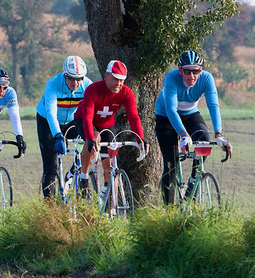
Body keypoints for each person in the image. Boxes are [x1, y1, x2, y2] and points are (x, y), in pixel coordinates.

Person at [155, 50, 233, 204]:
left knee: (204, 141)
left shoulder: (206, 79)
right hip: (166, 117)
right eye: (187, 71)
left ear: (201, 70)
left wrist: (218, 134)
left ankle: (193, 183)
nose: (191, 76)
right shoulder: (172, 78)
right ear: (180, 70)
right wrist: (184, 135)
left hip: (191, 115)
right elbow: (171, 110)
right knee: (171, 164)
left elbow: (213, 105)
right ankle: (169, 211)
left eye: (195, 71)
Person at [74, 60, 148, 194]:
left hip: (106, 124)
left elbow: (133, 117)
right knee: (95, 137)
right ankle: (84, 177)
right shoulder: (93, 89)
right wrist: (90, 140)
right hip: (84, 120)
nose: (119, 84)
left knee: (110, 162)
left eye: (122, 80)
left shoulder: (126, 93)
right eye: (115, 79)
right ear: (106, 76)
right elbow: (88, 117)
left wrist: (140, 139)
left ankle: (109, 198)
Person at [36, 56, 92, 198]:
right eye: (72, 78)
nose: (76, 83)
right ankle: (50, 208)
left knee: (89, 146)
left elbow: (90, 114)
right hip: (48, 121)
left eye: (79, 79)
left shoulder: (88, 85)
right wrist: (58, 135)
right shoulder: (53, 84)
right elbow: (51, 113)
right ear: (65, 75)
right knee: (51, 166)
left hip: (72, 121)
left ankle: (73, 174)